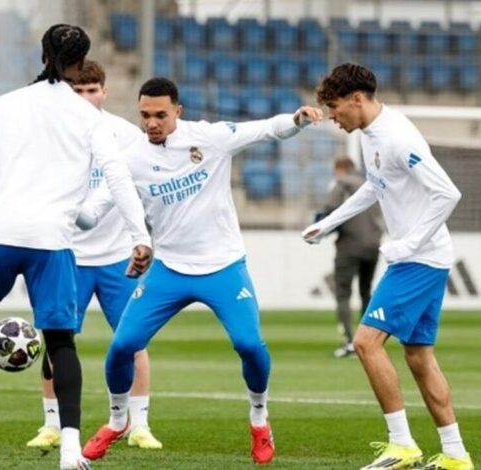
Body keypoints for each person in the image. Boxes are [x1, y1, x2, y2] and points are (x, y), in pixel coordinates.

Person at [0, 24, 152, 470]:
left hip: (0, 234)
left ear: (42, 53)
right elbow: (119, 177)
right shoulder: (88, 118)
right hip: (52, 241)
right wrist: (139, 235)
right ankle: (69, 449)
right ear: (81, 64)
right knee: (61, 343)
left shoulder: (7, 104)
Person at [76, 77, 323, 464]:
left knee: (249, 345)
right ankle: (117, 420)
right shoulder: (131, 159)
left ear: (178, 111)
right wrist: (70, 211)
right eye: (144, 116)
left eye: (160, 115)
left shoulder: (209, 138)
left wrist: (298, 119)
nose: (152, 123)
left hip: (223, 266)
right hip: (169, 269)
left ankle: (259, 417)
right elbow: (95, 209)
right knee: (122, 346)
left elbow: (265, 129)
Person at [302, 63, 472, 470]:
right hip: (424, 256)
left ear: (357, 99)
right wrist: (328, 223)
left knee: (365, 342)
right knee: (418, 356)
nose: (332, 116)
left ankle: (402, 446)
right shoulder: (370, 135)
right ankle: (455, 455)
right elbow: (374, 186)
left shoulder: (396, 137)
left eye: (335, 107)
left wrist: (410, 242)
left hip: (418, 258)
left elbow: (448, 193)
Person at [26, 60, 161, 451]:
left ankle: (139, 424)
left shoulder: (126, 136)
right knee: (56, 340)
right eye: (77, 91)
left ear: (104, 91)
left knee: (133, 340)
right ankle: (51, 424)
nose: (85, 97)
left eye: (92, 90)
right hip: (67, 256)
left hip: (118, 257)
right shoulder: (52, 137)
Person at [317, 156, 382, 358]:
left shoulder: (342, 183)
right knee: (366, 291)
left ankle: (349, 342)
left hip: (349, 245)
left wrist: (320, 227)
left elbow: (328, 208)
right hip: (373, 245)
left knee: (343, 292)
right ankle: (368, 341)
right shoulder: (372, 184)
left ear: (340, 169)